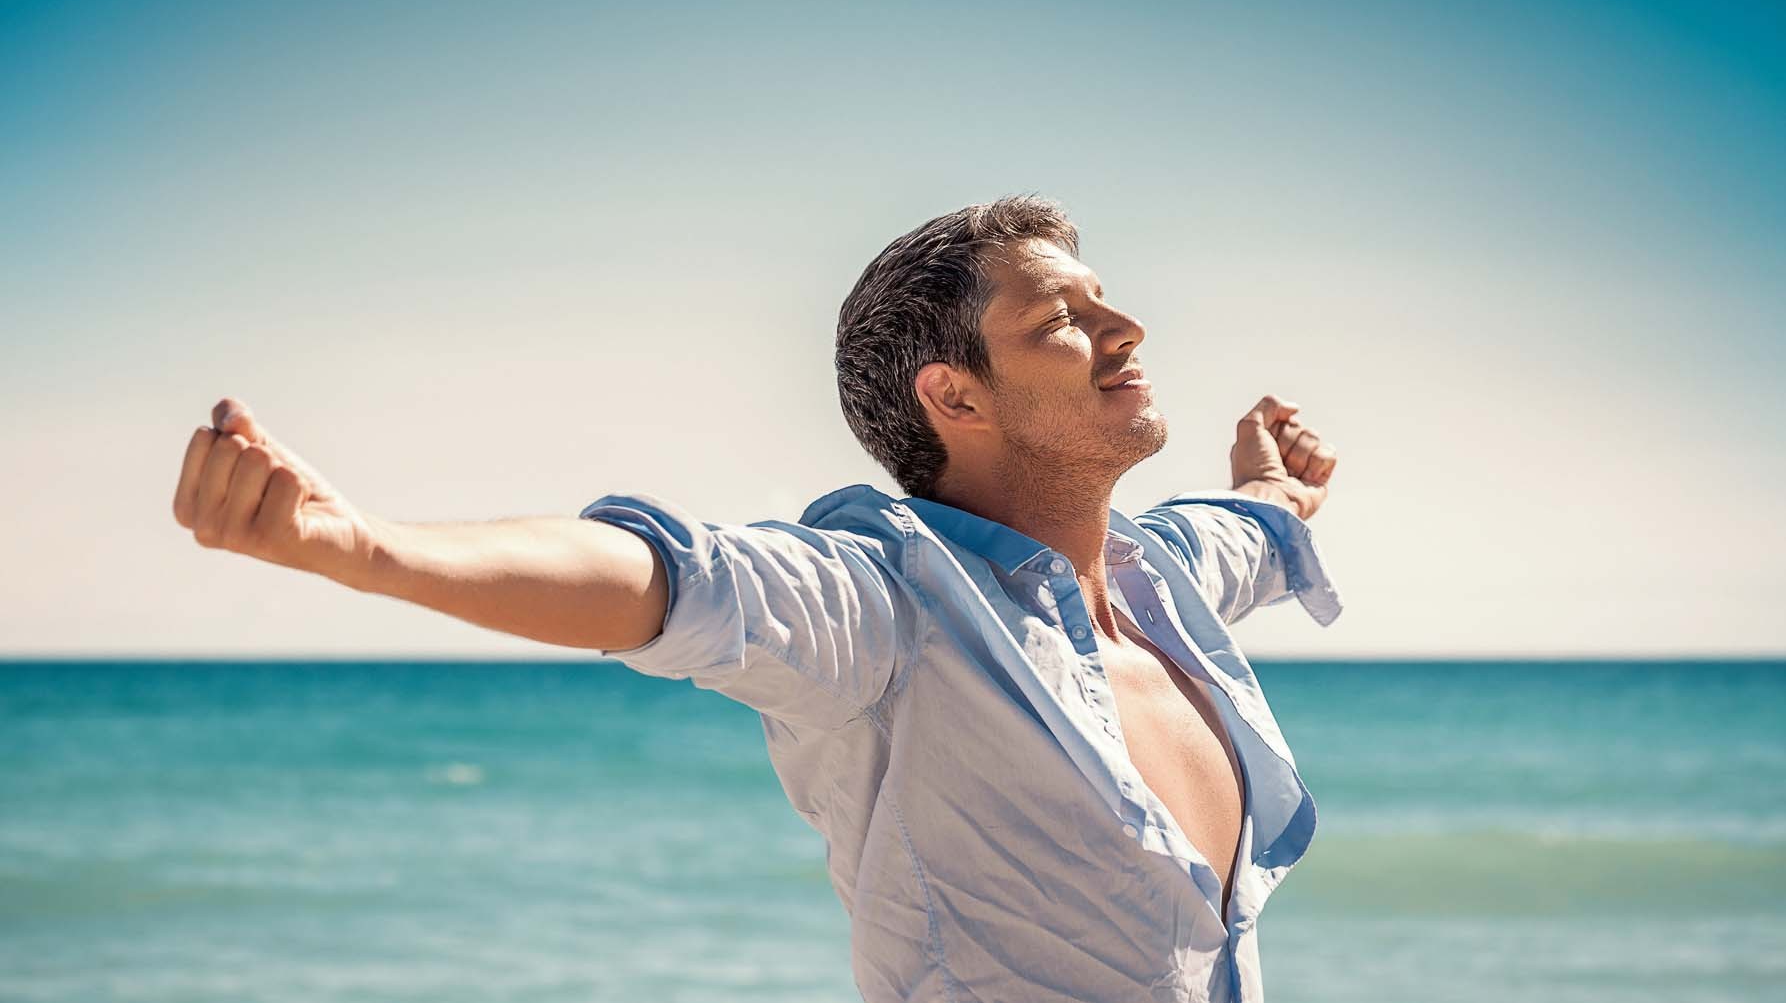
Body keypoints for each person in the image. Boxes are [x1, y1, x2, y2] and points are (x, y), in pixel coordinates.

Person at [171, 193, 1343, 1002]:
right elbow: (667, 579)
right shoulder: (891, 606)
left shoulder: (1162, 578)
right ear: (956, 397)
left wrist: (1274, 493)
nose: (1126, 327)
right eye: (1061, 322)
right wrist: (368, 549)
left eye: (1101, 300)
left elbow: (1244, 532)